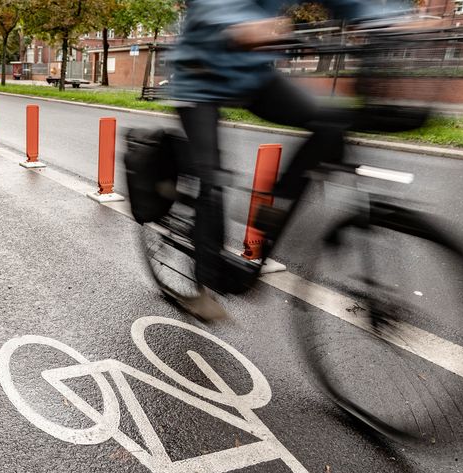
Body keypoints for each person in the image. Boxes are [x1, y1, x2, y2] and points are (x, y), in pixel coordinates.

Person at [169, 0, 412, 320]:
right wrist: (234, 24)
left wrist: (391, 19)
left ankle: (269, 219)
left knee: (331, 124)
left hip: (252, 75)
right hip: (200, 74)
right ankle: (205, 286)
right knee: (211, 178)